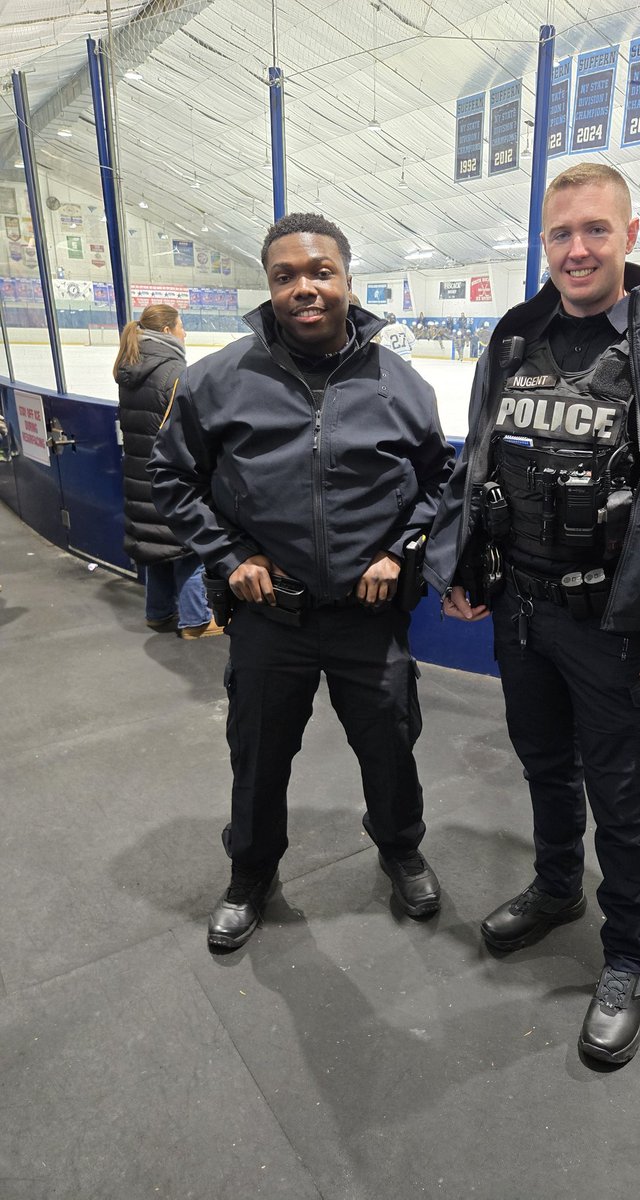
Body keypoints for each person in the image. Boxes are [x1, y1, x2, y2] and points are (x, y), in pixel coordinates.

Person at [424, 163, 640, 1063]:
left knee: (621, 793)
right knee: (542, 766)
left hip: (617, 624)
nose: (576, 249)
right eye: (561, 232)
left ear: (629, 234)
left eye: (595, 231)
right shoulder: (514, 335)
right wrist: (458, 564)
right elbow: (479, 458)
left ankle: (626, 954)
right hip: (523, 611)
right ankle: (558, 886)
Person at [149, 212, 455, 950]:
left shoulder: (399, 381)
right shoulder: (216, 380)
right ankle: (250, 871)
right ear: (270, 287)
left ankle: (400, 846)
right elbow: (171, 475)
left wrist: (401, 551)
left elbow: (440, 481)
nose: (304, 289)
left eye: (321, 273)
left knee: (389, 745)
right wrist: (229, 559)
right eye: (286, 276)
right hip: (269, 619)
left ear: (348, 281)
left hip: (367, 614)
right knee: (257, 754)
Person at [114, 304, 221, 638]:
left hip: (139, 474)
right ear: (166, 332)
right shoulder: (174, 372)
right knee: (187, 545)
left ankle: (158, 612)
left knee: (157, 543)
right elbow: (186, 431)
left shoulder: (131, 367)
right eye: (181, 326)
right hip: (169, 474)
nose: (184, 332)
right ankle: (196, 621)